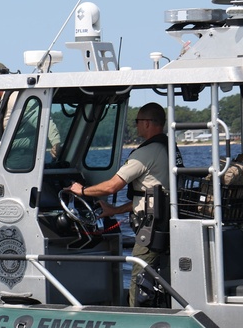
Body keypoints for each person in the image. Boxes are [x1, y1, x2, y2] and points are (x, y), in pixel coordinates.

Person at [68, 102, 183, 306]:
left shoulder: (146, 152)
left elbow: (112, 187)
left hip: (152, 229)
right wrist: (114, 210)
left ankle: (136, 319)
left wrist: (81, 191)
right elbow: (153, 197)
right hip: (166, 223)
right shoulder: (169, 148)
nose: (136, 125)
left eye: (138, 121)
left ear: (147, 123)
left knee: (139, 279)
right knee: (156, 278)